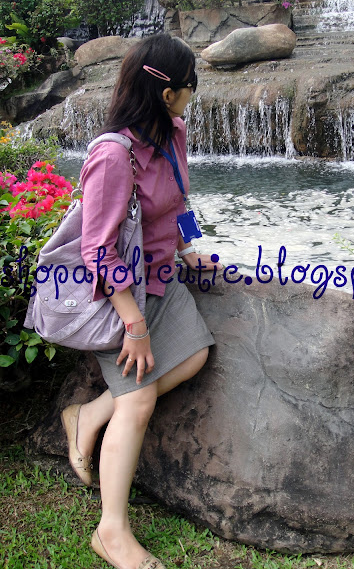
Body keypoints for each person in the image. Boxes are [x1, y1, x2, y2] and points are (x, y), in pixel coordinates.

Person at [60, 33, 218, 569]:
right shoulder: (113, 155)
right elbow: (97, 250)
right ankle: (111, 531)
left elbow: (179, 200)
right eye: (191, 83)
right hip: (116, 295)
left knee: (194, 354)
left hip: (159, 278)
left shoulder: (173, 132)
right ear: (167, 92)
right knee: (139, 399)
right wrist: (134, 324)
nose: (194, 91)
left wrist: (189, 249)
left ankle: (87, 413)